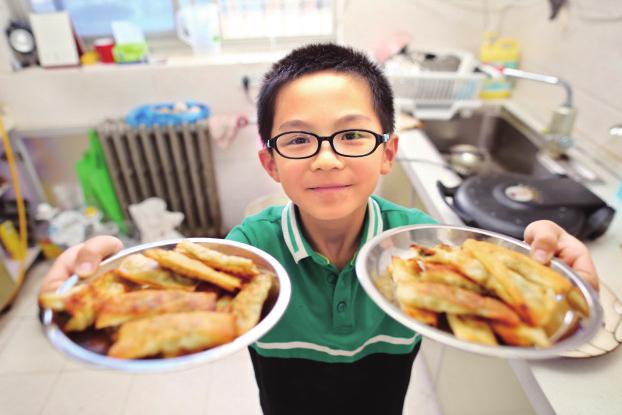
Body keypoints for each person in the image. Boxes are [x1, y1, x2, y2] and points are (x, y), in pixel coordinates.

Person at [40, 44, 599, 414]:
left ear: (388, 154)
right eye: (299, 139)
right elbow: (173, 293)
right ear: (270, 163)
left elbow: (526, 321)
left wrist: (565, 287)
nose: (327, 159)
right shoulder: (248, 254)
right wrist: (97, 282)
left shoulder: (422, 249)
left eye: (352, 135)